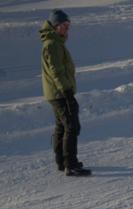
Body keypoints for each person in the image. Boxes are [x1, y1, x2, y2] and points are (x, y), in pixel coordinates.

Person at [40, 9, 91, 176]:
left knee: (62, 127)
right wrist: (67, 92)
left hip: (57, 93)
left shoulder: (55, 43)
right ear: (56, 26)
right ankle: (71, 164)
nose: (67, 29)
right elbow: (56, 71)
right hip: (60, 93)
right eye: (64, 26)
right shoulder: (53, 44)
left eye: (69, 26)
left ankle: (62, 162)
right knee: (72, 126)